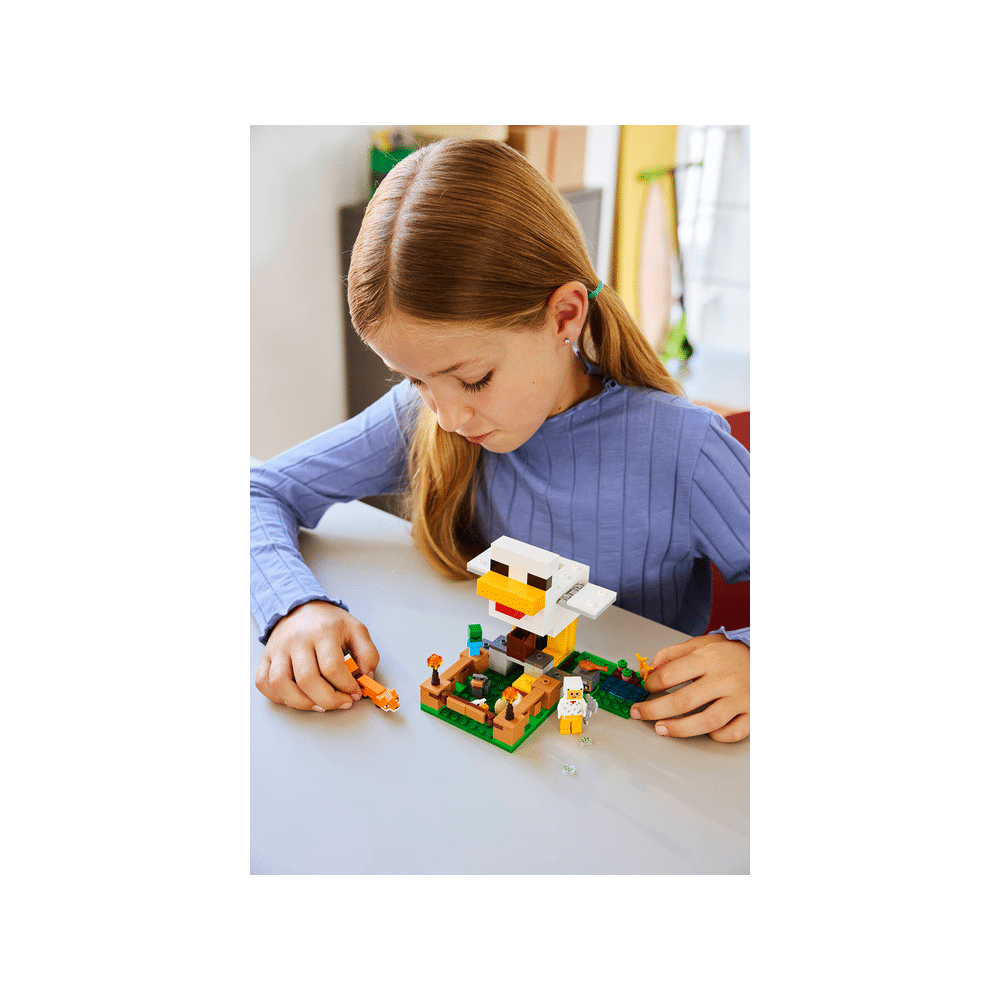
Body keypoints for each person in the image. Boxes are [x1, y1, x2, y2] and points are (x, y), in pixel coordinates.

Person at [250, 138, 750, 742]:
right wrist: (295, 608)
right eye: (416, 380)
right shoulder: (422, 416)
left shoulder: (684, 448)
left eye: (473, 379)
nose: (446, 417)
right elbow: (257, 491)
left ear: (565, 316)